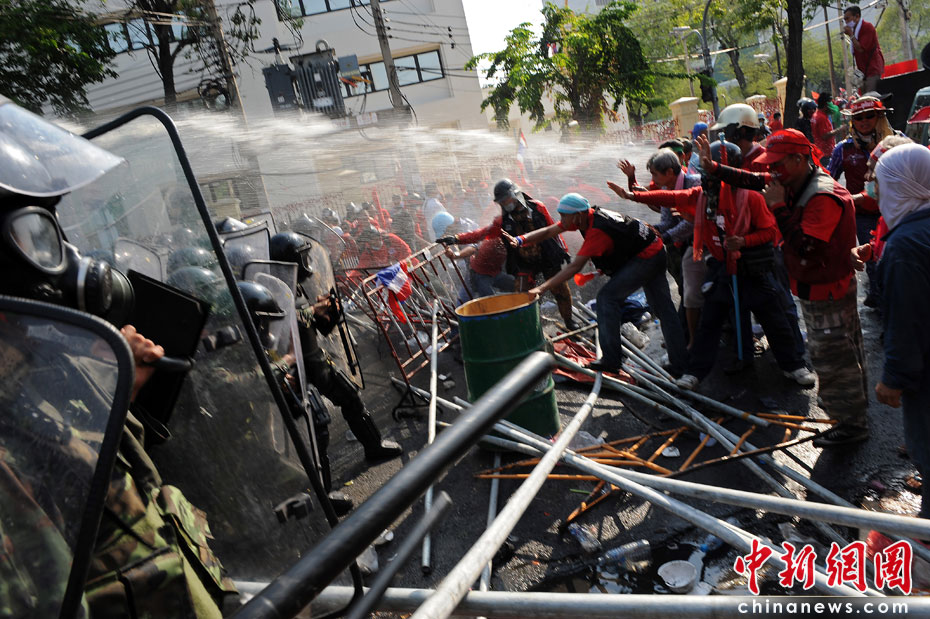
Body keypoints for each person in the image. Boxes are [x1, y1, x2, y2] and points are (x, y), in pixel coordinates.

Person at [702, 129, 868, 447]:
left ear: (799, 159)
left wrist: (777, 207)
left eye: (778, 163)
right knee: (842, 352)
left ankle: (851, 426)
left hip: (827, 290)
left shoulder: (822, 196)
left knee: (833, 358)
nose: (772, 170)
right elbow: (753, 179)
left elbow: (807, 247)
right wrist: (715, 169)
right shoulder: (796, 179)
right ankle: (849, 411)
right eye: (771, 163)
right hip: (820, 284)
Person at [612, 142, 814, 389]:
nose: (706, 181)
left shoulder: (751, 197)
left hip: (752, 269)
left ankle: (793, 366)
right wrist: (633, 195)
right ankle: (696, 372)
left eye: (711, 173)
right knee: (709, 322)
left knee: (774, 319)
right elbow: (672, 197)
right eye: (704, 174)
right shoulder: (702, 196)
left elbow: (769, 232)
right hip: (722, 269)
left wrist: (744, 241)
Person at [510, 193, 688, 376]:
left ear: (578, 215)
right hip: (655, 248)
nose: (562, 220)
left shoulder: (597, 230)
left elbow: (574, 267)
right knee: (663, 310)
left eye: (564, 216)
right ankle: (680, 364)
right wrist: (520, 239)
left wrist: (541, 288)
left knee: (606, 299)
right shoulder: (586, 216)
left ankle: (611, 360)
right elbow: (549, 231)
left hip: (647, 257)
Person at [270, 232, 403, 463]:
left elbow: (313, 326)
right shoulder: (274, 289)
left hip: (314, 359)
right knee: (317, 428)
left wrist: (329, 311)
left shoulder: (296, 286)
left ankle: (374, 448)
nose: (307, 262)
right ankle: (322, 482)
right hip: (294, 369)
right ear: (291, 260)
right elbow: (285, 323)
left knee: (351, 398)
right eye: (302, 257)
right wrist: (313, 310)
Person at [867, 144, 930, 516]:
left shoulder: (905, 246)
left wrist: (894, 378)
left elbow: (908, 320)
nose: (875, 191)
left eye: (880, 183)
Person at [438, 178, 576, 329]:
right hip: (524, 263)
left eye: (506, 200)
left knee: (561, 290)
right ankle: (528, 328)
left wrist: (563, 251)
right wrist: (457, 239)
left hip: (547, 257)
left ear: (515, 194)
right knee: (522, 298)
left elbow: (553, 229)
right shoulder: (502, 222)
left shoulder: (537, 208)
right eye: (501, 202)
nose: (504, 204)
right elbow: (481, 233)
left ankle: (569, 322)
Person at [828, 96, 897, 307]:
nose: (864, 121)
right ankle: (881, 301)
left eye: (869, 116)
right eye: (858, 117)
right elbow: (829, 181)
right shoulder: (842, 149)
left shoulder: (897, 142)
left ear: (879, 117)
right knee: (875, 260)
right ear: (852, 121)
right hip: (864, 215)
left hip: (897, 212)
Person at [843, 5, 884, 94]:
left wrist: (851, 35)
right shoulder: (855, 31)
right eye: (845, 20)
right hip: (862, 72)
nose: (846, 22)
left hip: (872, 69)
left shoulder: (867, 27)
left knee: (870, 95)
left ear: (857, 16)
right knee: (864, 96)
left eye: (847, 18)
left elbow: (861, 48)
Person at [812, 94, 840, 167]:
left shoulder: (817, 115)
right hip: (825, 154)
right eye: (830, 103)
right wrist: (839, 130)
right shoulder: (821, 117)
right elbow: (824, 136)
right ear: (826, 105)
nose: (832, 106)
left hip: (820, 152)